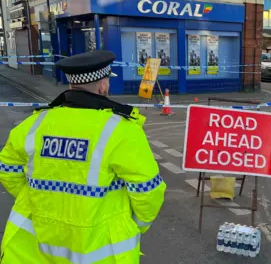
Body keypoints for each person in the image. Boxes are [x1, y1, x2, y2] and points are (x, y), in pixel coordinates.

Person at [0, 50, 166, 263]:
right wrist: (131, 224)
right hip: (98, 251)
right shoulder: (121, 130)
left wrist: (43, 200)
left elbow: (8, 169)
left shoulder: (36, 123)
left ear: (71, 84)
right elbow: (148, 190)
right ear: (103, 86)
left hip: (32, 251)